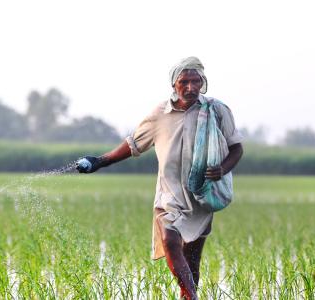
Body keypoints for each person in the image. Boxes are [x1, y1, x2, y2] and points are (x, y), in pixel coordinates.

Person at [76, 57, 244, 300]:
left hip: (201, 197)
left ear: (203, 83)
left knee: (192, 261)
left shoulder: (217, 111)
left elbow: (236, 148)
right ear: (174, 85)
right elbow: (133, 144)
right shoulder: (160, 114)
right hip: (169, 196)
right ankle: (193, 298)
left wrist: (223, 168)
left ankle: (187, 296)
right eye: (184, 82)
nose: (190, 87)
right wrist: (100, 161)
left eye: (196, 81)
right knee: (170, 238)